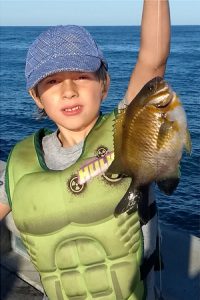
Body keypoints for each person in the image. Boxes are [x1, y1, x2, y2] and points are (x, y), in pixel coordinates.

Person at [0, 0, 170, 299]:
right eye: (51, 81)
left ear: (103, 84)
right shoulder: (19, 164)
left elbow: (152, 60)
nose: (68, 91)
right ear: (36, 97)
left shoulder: (127, 132)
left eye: (81, 76)